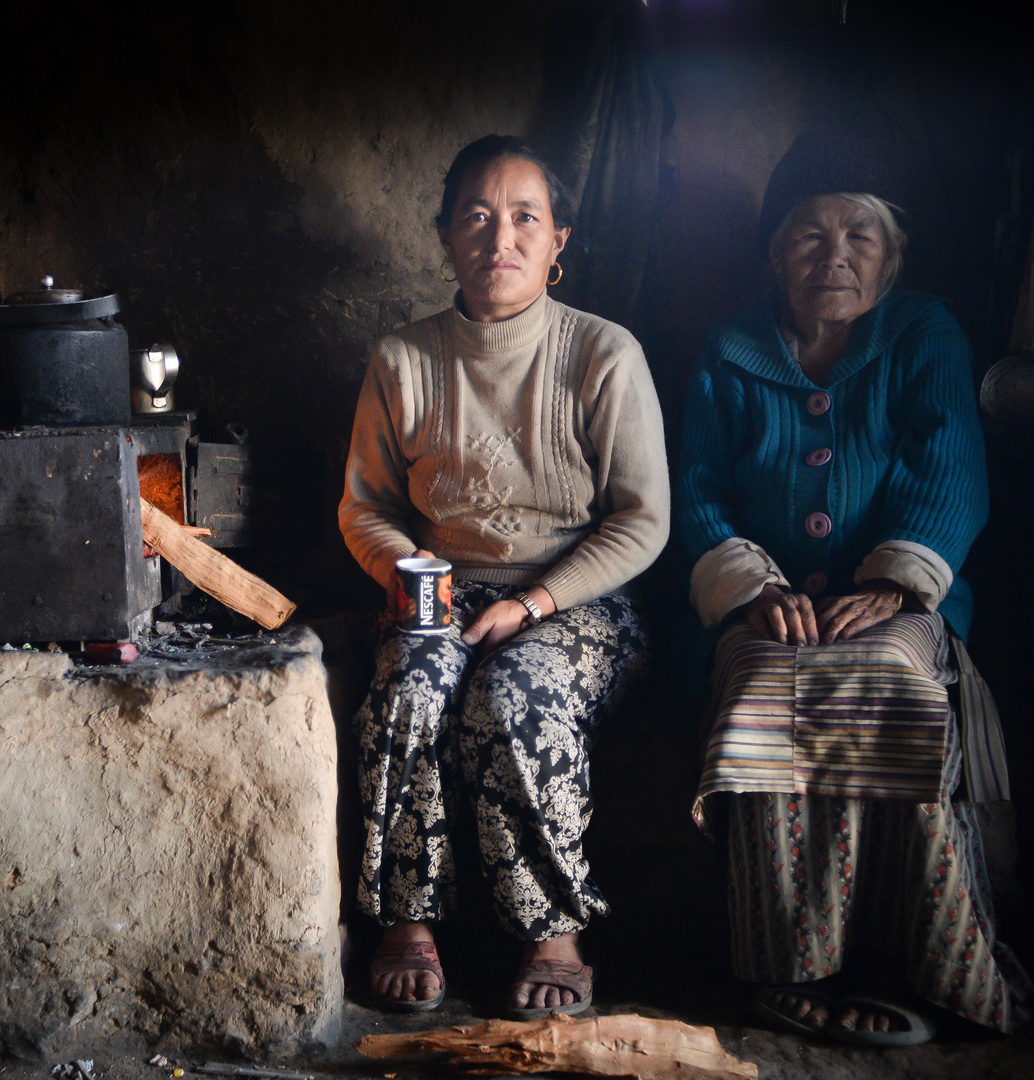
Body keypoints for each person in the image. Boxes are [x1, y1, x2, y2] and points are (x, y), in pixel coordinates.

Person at [677, 134, 1029, 1043]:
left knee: (890, 679)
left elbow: (950, 468)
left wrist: (898, 583)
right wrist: (752, 586)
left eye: (858, 236)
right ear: (772, 254)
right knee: (764, 683)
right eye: (807, 234)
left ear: (893, 256)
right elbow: (697, 490)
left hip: (896, 602)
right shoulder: (728, 349)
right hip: (769, 603)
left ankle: (902, 957)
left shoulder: (923, 333)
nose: (833, 254)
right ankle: (790, 960)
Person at [339, 135, 670, 1016]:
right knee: (410, 680)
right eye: (477, 218)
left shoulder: (603, 354)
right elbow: (365, 504)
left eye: (526, 217)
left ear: (558, 240)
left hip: (578, 599)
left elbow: (643, 520)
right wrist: (415, 582)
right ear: (445, 235)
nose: (501, 239)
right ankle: (407, 920)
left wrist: (532, 602)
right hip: (441, 590)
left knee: (513, 691)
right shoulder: (403, 359)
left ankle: (551, 929)